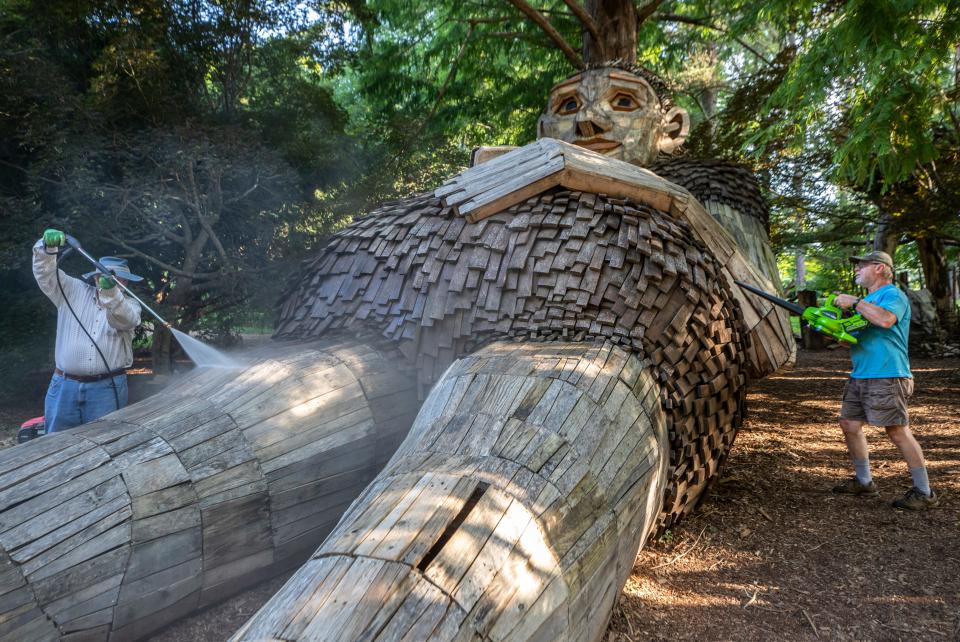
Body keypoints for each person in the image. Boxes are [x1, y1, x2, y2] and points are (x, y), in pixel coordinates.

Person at [831, 250, 936, 510]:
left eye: (861, 266)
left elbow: (886, 320)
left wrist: (854, 302)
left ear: (879, 268)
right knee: (849, 424)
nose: (856, 270)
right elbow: (850, 340)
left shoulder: (892, 295)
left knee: (896, 430)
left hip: (888, 374)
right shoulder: (869, 300)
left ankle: (924, 492)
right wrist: (828, 328)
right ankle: (864, 482)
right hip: (861, 374)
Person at [33, 228, 143, 433]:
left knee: (107, 442)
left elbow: (124, 320)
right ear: (94, 277)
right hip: (64, 385)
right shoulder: (73, 291)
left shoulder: (131, 305)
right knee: (55, 444)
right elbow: (46, 275)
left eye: (120, 279)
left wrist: (110, 292)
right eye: (104, 277)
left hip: (107, 388)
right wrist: (46, 249)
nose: (111, 281)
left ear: (126, 282)